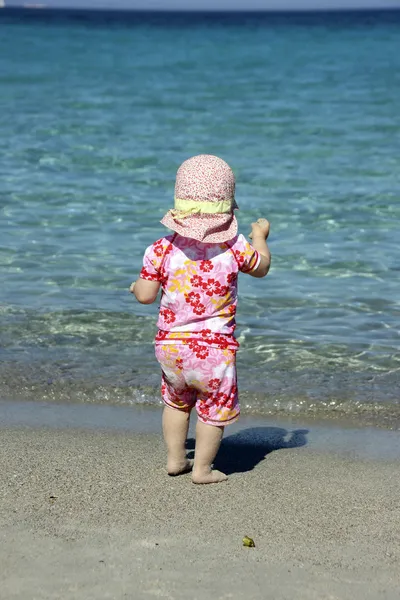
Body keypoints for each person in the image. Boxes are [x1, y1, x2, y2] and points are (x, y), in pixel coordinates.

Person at [130, 155, 271, 484]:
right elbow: (261, 267)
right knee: (213, 410)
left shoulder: (160, 249)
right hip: (214, 350)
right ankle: (203, 469)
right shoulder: (235, 246)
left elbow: (146, 295)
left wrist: (137, 286)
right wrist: (261, 237)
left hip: (171, 347)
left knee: (176, 403)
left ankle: (176, 459)